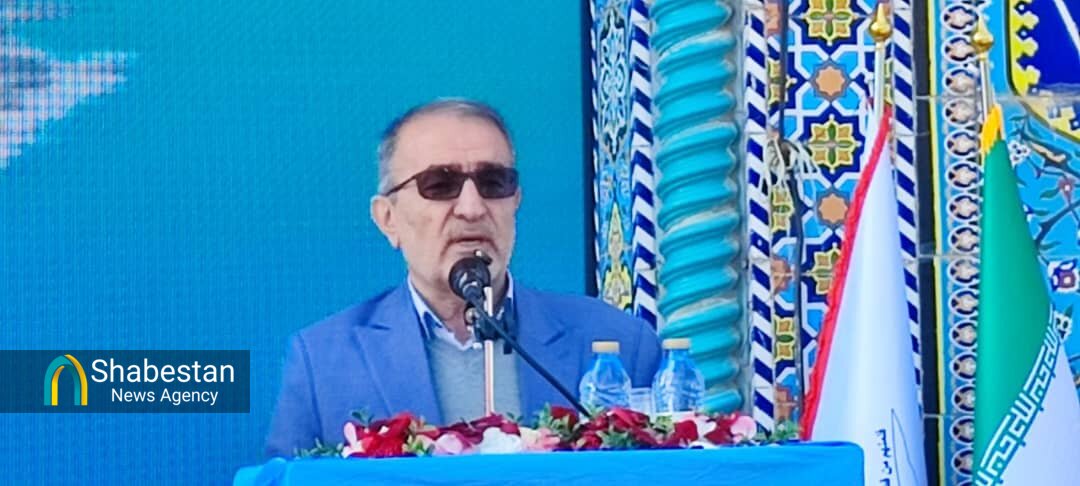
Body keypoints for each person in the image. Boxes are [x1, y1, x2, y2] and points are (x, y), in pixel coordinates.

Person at [265, 98, 661, 457]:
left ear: (515, 202)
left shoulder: (618, 343)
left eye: (493, 183)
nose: (472, 208)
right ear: (388, 219)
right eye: (440, 185)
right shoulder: (325, 362)